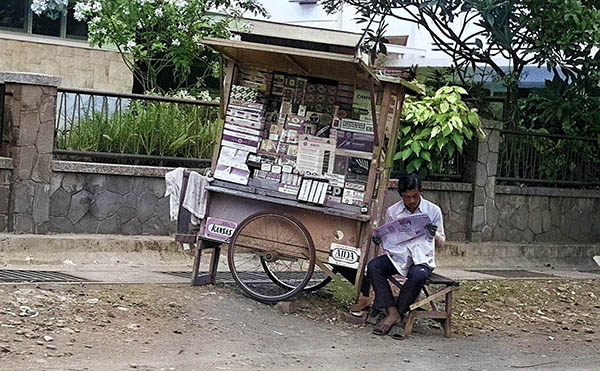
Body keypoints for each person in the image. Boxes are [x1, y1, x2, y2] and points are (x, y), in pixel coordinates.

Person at [368, 173, 445, 336]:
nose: (411, 201)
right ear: (401, 195)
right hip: (399, 257)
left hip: (422, 259)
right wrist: (379, 238)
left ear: (420, 192)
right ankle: (392, 312)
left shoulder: (433, 210)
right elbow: (390, 238)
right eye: (407, 197)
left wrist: (434, 234)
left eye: (415, 196)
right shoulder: (393, 211)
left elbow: (442, 242)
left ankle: (397, 314)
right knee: (374, 266)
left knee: (417, 276)